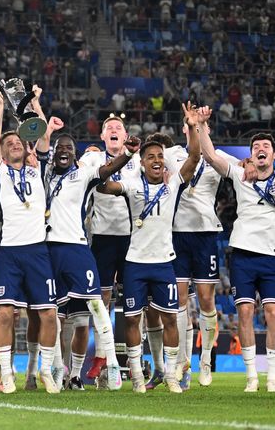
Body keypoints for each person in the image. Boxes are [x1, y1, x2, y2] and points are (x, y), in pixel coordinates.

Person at [96, 102, 202, 394]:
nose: (156, 160)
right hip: (135, 263)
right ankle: (137, 376)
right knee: (132, 319)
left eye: (160, 157)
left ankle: (170, 375)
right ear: (142, 162)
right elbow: (103, 185)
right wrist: (124, 157)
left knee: (170, 319)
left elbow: (195, 156)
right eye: (150, 157)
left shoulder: (173, 185)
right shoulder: (131, 185)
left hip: (165, 263)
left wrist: (192, 125)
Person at [198, 105, 275, 393]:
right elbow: (211, 156)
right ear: (251, 155)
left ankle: (273, 378)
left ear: (274, 154)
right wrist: (202, 126)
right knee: (244, 312)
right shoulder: (240, 175)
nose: (260, 149)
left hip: (271, 257)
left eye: (266, 146)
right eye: (256, 147)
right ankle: (252, 377)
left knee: (274, 314)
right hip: (242, 255)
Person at [42, 123, 142, 392]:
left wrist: (128, 154)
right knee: (53, 315)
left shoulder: (83, 173)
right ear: (53, 153)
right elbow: (36, 149)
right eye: (59, 147)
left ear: (76, 155)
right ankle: (55, 369)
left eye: (68, 148)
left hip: (77, 248)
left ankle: (110, 365)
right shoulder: (44, 174)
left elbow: (107, 170)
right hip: (48, 250)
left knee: (95, 306)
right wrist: (45, 128)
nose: (63, 151)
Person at [145, 123, 244, 390]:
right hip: (176, 233)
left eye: (202, 126)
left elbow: (243, 168)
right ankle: (180, 361)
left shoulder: (218, 156)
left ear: (208, 130)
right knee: (178, 300)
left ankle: (206, 360)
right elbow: (147, 161)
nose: (197, 129)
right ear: (185, 129)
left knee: (206, 301)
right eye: (192, 126)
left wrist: (250, 163)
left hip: (205, 234)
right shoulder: (172, 153)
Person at [0, 86, 60, 394]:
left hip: (38, 250)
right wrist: (0, 106)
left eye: (19, 141)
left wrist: (35, 103)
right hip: (9, 251)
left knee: (48, 314)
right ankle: (6, 373)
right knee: (5, 313)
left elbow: (42, 135)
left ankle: (45, 370)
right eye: (10, 143)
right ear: (4, 153)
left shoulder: (37, 168)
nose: (15, 144)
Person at [78, 113, 140, 383]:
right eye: (109, 128)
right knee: (101, 299)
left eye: (118, 127)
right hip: (102, 237)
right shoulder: (94, 158)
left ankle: (136, 361)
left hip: (133, 238)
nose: (114, 130)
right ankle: (102, 357)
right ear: (103, 136)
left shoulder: (139, 159)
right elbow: (77, 169)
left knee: (135, 301)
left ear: (125, 136)